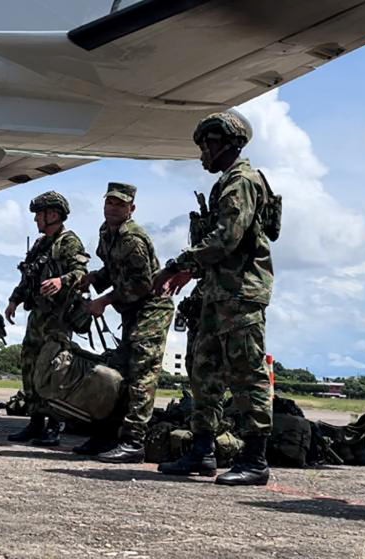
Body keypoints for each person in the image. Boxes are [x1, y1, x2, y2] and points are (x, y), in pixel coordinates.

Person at [153, 110, 277, 486]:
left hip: (240, 295)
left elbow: (226, 238)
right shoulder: (225, 182)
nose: (203, 153)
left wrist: (178, 264)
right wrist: (193, 272)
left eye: (208, 144)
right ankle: (202, 451)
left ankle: (255, 459)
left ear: (229, 144)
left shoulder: (241, 182)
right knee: (203, 371)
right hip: (216, 294)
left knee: (247, 374)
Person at [79, 182, 174, 462]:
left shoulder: (133, 239)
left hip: (151, 309)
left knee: (141, 374)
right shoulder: (106, 234)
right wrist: (92, 279)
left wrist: (103, 302)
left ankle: (134, 442)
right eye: (109, 202)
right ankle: (108, 434)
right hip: (132, 311)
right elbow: (112, 270)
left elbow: (143, 284)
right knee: (117, 372)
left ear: (131, 208)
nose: (112, 208)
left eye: (120, 204)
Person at [5, 192, 90, 447]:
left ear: (53, 215)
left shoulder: (69, 242)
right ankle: (35, 421)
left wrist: (61, 281)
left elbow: (81, 273)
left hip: (58, 318)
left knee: (55, 370)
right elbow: (28, 276)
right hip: (38, 316)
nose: (35, 220)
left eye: (38, 215)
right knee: (29, 364)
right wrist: (14, 300)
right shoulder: (41, 244)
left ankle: (55, 425)